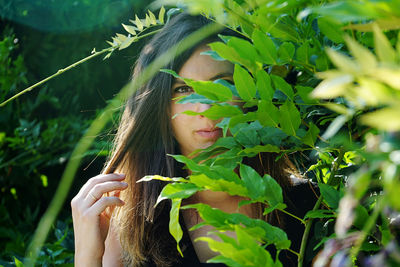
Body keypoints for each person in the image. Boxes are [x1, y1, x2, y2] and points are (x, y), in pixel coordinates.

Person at [71, 12, 318, 267]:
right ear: (160, 107)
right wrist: (87, 256)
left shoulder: (308, 207)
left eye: (223, 84)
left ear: (250, 95)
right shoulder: (129, 222)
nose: (205, 107)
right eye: (183, 89)